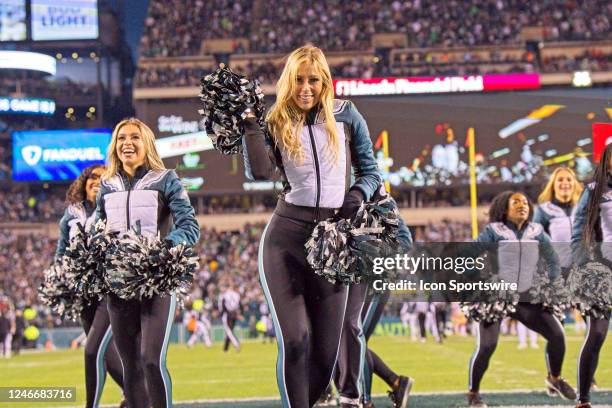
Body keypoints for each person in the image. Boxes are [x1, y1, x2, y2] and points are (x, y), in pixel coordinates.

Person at [241, 45, 381, 408]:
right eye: (299, 80)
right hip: (286, 240)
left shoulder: (347, 115)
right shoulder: (274, 119)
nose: (306, 88)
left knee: (325, 354)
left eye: (313, 80)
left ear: (325, 82)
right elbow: (258, 171)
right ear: (289, 81)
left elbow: (371, 171)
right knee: (297, 339)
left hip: (334, 242)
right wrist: (250, 125)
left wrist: (357, 193)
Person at [96, 118, 200, 408]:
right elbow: (97, 230)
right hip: (118, 288)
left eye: (134, 138)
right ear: (114, 146)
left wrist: (156, 250)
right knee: (131, 366)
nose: (127, 143)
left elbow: (190, 227)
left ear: (147, 144)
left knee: (151, 360)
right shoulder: (107, 185)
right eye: (121, 138)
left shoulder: (166, 179)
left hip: (157, 283)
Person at [465, 191, 576, 408]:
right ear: (505, 209)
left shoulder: (536, 231)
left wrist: (553, 282)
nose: (522, 205)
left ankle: (554, 379)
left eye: (525, 202)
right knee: (487, 346)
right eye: (516, 202)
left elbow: (552, 259)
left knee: (557, 335)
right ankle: (473, 393)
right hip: (497, 296)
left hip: (526, 296)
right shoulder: (494, 230)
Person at [333, 185, 414, 408]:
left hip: (373, 280)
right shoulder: (334, 195)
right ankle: (396, 382)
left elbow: (404, 241)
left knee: (354, 338)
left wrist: (365, 247)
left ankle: (365, 400)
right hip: (351, 280)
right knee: (346, 340)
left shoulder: (379, 199)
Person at [55, 164, 125, 408]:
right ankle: (139, 397)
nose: (97, 180)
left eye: (103, 177)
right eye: (92, 177)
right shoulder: (71, 214)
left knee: (92, 350)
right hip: (83, 294)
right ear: (84, 183)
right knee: (107, 357)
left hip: (108, 290)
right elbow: (61, 252)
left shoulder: (115, 207)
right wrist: (59, 277)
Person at [571, 144, 612, 408]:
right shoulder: (595, 190)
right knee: (597, 334)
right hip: (600, 269)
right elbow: (578, 232)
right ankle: (583, 398)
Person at [534, 167, 583, 278]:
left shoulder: (584, 208)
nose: (565, 183)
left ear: (574, 184)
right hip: (558, 272)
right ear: (553, 184)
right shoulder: (543, 211)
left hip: (583, 271)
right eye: (560, 179)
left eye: (569, 179)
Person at [218, 282, 242, 352]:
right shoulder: (236, 294)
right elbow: (240, 305)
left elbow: (223, 306)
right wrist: (240, 314)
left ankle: (236, 343)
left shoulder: (225, 295)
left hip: (227, 314)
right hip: (234, 314)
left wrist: (221, 314)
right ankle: (225, 349)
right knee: (229, 331)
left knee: (229, 331)